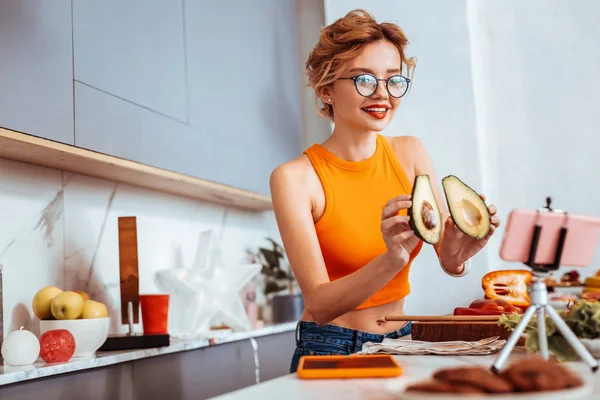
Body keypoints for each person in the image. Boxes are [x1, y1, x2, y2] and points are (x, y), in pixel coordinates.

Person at [269, 9, 500, 373]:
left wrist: (460, 253)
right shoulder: (295, 178)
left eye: (393, 80)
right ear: (327, 89)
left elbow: (448, 258)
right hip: (330, 348)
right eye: (364, 79)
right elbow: (321, 302)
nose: (382, 94)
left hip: (403, 343)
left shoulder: (409, 152)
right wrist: (392, 258)